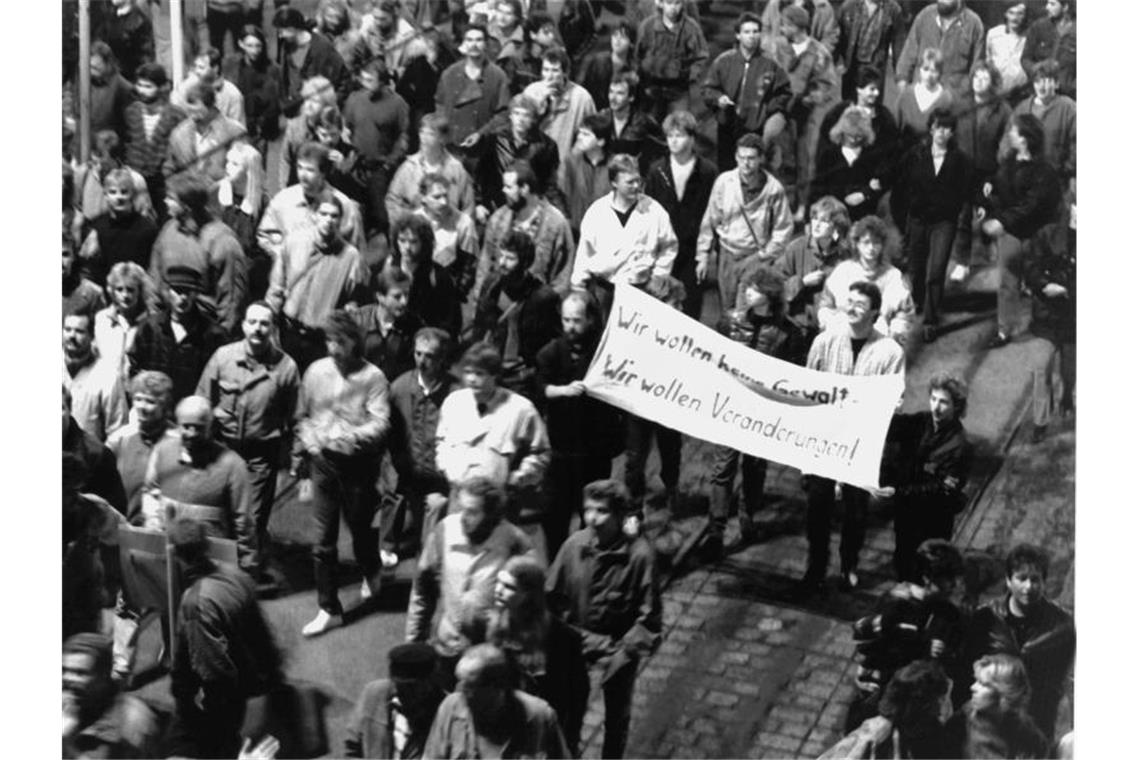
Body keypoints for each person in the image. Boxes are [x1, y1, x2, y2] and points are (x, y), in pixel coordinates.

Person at [801, 281, 905, 593]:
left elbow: (895, 400)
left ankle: (849, 564)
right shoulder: (825, 341)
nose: (853, 307)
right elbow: (808, 385)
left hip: (861, 443)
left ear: (875, 311)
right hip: (824, 439)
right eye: (850, 300)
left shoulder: (889, 351)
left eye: (861, 303)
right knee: (817, 509)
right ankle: (815, 567)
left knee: (855, 512)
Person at [547, 479, 662, 759]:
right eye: (588, 510)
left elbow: (649, 619)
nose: (593, 518)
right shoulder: (574, 546)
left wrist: (623, 651)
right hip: (576, 644)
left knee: (616, 718)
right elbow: (551, 597)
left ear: (620, 515)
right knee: (568, 713)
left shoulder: (639, 556)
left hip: (618, 650)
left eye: (602, 511)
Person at [293, 311, 390, 636]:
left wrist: (352, 436)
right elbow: (302, 417)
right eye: (330, 340)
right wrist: (312, 447)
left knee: (360, 530)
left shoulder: (373, 377)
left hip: (358, 467)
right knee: (323, 542)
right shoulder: (315, 372)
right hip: (324, 464)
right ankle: (328, 607)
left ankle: (371, 569)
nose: (334, 348)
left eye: (341, 341)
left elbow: (381, 422)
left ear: (355, 342)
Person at [705, 267, 805, 557]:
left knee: (754, 467)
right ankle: (716, 531)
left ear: (769, 296)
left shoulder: (789, 333)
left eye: (754, 288)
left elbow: (794, 377)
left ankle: (748, 518)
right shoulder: (729, 321)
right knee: (722, 468)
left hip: (763, 413)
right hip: (730, 407)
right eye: (747, 287)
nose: (747, 292)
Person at [165, 517, 284, 760]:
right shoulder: (235, 575)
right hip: (255, 675)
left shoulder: (196, 603)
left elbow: (214, 670)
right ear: (207, 544)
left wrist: (202, 706)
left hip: (229, 700)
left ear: (175, 554)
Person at [197, 301, 300, 574]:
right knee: (219, 515)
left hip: (261, 455)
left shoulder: (286, 367)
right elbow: (202, 402)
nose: (258, 328)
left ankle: (245, 578)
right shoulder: (223, 358)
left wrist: (298, 459)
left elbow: (297, 417)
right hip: (224, 451)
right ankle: (219, 574)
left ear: (273, 328)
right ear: (243, 325)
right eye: (252, 322)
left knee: (251, 520)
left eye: (265, 323)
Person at [406, 477, 534, 684]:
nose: (463, 517)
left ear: (491, 513)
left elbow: (532, 600)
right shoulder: (445, 530)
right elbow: (422, 590)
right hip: (447, 646)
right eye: (461, 508)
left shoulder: (514, 540)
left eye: (473, 512)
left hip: (492, 655)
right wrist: (413, 643)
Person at [435, 344, 552, 555]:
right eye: (468, 373)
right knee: (456, 554)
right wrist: (446, 467)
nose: (471, 380)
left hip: (499, 504)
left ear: (495, 375)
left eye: (479, 374)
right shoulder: (453, 403)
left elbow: (541, 452)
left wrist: (519, 477)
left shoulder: (520, 409)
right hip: (459, 498)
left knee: (496, 560)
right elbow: (441, 442)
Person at [535, 290, 622, 556]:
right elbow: (539, 389)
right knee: (555, 515)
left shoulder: (604, 353)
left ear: (590, 321)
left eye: (577, 321)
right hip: (561, 449)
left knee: (593, 512)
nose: (571, 327)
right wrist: (562, 390)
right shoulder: (550, 353)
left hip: (594, 449)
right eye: (566, 320)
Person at [846, 539, 966, 730]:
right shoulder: (897, 604)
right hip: (882, 693)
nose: (954, 585)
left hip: (916, 700)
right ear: (927, 578)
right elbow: (866, 642)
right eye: (948, 579)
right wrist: (920, 646)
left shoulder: (947, 612)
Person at [475, 556, 590, 754]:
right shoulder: (491, 626)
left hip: (539, 731)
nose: (498, 591)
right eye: (499, 583)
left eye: (509, 587)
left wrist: (569, 743)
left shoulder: (562, 638)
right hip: (502, 728)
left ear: (529, 595)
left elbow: (577, 695)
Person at [964, 544, 1075, 742]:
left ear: (1044, 582)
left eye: (1035, 579)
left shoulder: (1062, 626)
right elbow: (964, 672)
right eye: (1021, 578)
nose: (1029, 587)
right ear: (1008, 580)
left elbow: (1066, 682)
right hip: (989, 722)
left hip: (1036, 725)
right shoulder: (985, 617)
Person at [874, 373, 971, 582]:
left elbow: (943, 489)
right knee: (902, 558)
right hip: (907, 512)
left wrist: (898, 491)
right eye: (933, 399)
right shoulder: (921, 422)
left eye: (944, 402)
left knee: (927, 570)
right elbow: (891, 426)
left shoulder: (960, 446)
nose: (936, 407)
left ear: (957, 407)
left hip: (933, 519)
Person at [143, 395, 256, 569]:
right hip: (168, 555)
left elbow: (244, 522)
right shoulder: (162, 451)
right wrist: (152, 522)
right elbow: (150, 491)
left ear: (210, 427)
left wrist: (246, 564)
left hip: (211, 559)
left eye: (199, 428)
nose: (192, 433)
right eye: (186, 427)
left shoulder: (232, 465)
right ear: (177, 425)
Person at [890, 107, 972, 342]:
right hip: (917, 220)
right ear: (931, 128)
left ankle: (930, 319)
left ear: (952, 132)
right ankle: (916, 305)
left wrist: (982, 202)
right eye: (937, 127)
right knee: (916, 271)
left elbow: (970, 189)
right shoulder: (915, 155)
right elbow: (898, 180)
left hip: (944, 223)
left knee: (936, 271)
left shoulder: (960, 160)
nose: (941, 133)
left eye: (947, 128)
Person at [980, 113, 1061, 349]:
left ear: (1024, 138)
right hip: (1011, 231)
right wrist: (990, 184)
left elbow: (1031, 206)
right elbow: (1001, 183)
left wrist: (1002, 221)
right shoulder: (1010, 160)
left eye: (1013, 132)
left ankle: (1048, 324)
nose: (1010, 135)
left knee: (1041, 279)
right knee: (1007, 280)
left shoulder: (1044, 171)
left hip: (1036, 233)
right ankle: (1005, 330)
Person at [268, 190, 370, 371]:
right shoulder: (294, 242)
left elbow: (354, 302)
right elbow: (276, 288)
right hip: (288, 331)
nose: (329, 220)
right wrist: (271, 325)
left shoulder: (350, 257)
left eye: (334, 216)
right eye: (324, 214)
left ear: (341, 220)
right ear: (315, 215)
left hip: (321, 339)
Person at [696, 133, 794, 314]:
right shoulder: (725, 182)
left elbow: (784, 227)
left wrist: (766, 254)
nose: (745, 163)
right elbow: (710, 219)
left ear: (760, 159)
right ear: (736, 157)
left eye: (751, 158)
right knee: (727, 310)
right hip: (727, 254)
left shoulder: (773, 189)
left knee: (749, 309)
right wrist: (702, 255)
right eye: (741, 158)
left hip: (755, 256)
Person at [387, 327, 461, 558]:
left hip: (437, 475)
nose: (422, 361)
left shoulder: (456, 392)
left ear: (441, 359)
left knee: (434, 514)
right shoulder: (399, 387)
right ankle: (384, 556)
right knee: (392, 505)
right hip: (407, 471)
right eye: (418, 354)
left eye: (429, 356)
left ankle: (425, 567)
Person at [423, 643, 571, 758]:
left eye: (471, 687)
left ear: (499, 686)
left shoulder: (540, 717)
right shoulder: (451, 707)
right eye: (460, 683)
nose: (461, 692)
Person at [571, 153, 678, 311]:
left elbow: (669, 246)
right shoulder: (597, 213)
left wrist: (659, 275)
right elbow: (584, 254)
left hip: (641, 290)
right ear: (614, 182)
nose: (636, 186)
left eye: (638, 180)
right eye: (630, 182)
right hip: (605, 289)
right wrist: (578, 286)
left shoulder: (654, 211)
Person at [466, 230, 562, 401]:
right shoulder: (491, 285)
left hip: (521, 377)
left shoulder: (543, 297)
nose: (502, 263)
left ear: (525, 263)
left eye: (510, 259)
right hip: (491, 371)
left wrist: (535, 372)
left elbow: (553, 343)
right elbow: (479, 328)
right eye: (501, 256)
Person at [151, 172, 248, 335]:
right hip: (168, 326)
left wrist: (221, 337)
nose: (165, 202)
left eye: (171, 198)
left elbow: (231, 301)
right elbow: (155, 279)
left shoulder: (223, 242)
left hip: (204, 332)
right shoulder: (168, 230)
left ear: (187, 207)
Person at [641, 110, 716, 321]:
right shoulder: (657, 170)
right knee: (659, 307)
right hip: (663, 250)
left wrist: (705, 255)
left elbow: (712, 216)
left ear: (692, 138)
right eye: (670, 136)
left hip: (692, 250)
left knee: (690, 309)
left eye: (679, 135)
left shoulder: (708, 171)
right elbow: (648, 213)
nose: (673, 141)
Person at [702, 12, 791, 172]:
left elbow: (784, 93)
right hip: (727, 126)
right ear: (738, 35)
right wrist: (718, 98)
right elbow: (708, 89)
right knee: (727, 170)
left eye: (756, 31)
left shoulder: (770, 64)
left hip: (756, 127)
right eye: (747, 32)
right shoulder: (724, 61)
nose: (752, 36)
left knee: (753, 170)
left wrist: (767, 110)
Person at [775, 4, 842, 215]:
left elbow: (828, 86)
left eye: (785, 25)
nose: (782, 29)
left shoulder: (818, 53)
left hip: (808, 115)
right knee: (784, 158)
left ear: (797, 27)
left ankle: (803, 204)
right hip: (783, 112)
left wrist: (808, 99)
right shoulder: (780, 48)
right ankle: (785, 202)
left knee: (806, 160)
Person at [950, 60, 1011, 285]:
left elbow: (1006, 145)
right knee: (962, 215)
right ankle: (962, 262)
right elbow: (951, 137)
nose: (979, 82)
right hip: (963, 170)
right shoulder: (961, 105)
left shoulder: (1002, 109)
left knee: (991, 212)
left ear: (993, 82)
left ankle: (993, 251)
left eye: (984, 78)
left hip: (989, 172)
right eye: (976, 77)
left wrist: (995, 177)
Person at [259, 142, 366, 271]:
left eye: (310, 170)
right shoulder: (284, 200)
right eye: (299, 168)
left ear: (323, 173)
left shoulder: (344, 205)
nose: (302, 176)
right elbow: (265, 234)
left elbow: (357, 251)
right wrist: (282, 254)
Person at [129, 265, 229, 400]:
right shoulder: (149, 328)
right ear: (168, 292)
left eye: (188, 292)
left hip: (192, 412)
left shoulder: (212, 334)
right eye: (177, 291)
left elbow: (220, 379)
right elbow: (135, 369)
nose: (182, 297)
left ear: (196, 294)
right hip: (156, 410)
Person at [477, 162, 575, 297]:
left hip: (538, 309)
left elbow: (563, 277)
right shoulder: (498, 219)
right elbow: (485, 266)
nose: (503, 190)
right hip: (500, 307)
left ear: (524, 189)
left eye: (508, 187)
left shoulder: (556, 224)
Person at [824, 660, 955, 760]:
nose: (940, 709)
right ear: (919, 706)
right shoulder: (875, 734)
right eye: (936, 702)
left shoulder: (931, 729)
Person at [1023, 195, 1076, 442]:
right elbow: (1031, 267)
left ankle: (1067, 398)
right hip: (1046, 318)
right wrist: (1045, 285)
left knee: (1070, 371)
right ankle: (1040, 422)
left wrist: (1068, 291)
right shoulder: (1047, 234)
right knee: (1039, 370)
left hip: (1074, 321)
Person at [773, 195, 852, 359]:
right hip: (796, 329)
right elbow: (774, 286)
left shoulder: (845, 256)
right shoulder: (796, 248)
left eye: (824, 221)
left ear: (836, 227)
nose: (816, 224)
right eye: (814, 218)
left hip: (830, 332)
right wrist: (802, 282)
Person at [817, 215, 915, 344]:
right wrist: (832, 328)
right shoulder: (843, 271)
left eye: (876, 243)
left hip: (879, 339)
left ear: (882, 245)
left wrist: (893, 335)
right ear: (857, 244)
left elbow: (905, 313)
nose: (871, 248)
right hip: (843, 335)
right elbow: (826, 305)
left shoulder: (893, 276)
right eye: (866, 242)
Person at [62, 633, 161, 758]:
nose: (67, 679)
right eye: (64, 670)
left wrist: (65, 746)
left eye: (80, 673)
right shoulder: (69, 705)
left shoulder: (132, 721)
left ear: (104, 678)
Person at [343, 57, 411, 238]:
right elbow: (346, 128)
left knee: (383, 217)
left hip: (381, 169)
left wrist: (390, 163)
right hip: (357, 168)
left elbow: (404, 137)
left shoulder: (398, 104)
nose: (364, 84)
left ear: (382, 81)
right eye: (362, 79)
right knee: (355, 216)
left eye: (369, 80)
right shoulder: (354, 99)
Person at [345, 643, 447, 759]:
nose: (399, 692)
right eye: (398, 685)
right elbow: (352, 746)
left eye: (410, 687)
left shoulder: (447, 712)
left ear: (430, 683)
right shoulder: (374, 694)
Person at [944, 654, 1051, 758]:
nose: (973, 687)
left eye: (984, 684)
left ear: (1005, 693)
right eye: (976, 680)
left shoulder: (1029, 735)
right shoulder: (960, 723)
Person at [472, 94, 560, 219]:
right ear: (511, 116)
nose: (520, 119)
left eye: (526, 115)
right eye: (517, 114)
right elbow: (480, 174)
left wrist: (558, 213)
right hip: (497, 207)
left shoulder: (546, 145)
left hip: (530, 209)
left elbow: (549, 184)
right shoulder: (495, 138)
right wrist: (478, 203)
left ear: (534, 119)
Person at [434, 24, 511, 161]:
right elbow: (439, 106)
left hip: (483, 153)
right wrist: (444, 135)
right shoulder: (450, 74)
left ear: (486, 44)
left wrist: (481, 134)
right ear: (464, 44)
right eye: (469, 40)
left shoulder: (498, 76)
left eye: (478, 40)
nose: (473, 45)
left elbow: (503, 114)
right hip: (451, 151)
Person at [385, 113, 476, 225]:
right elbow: (392, 202)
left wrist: (458, 229)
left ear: (442, 139)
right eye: (422, 132)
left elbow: (469, 208)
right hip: (416, 233)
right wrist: (407, 221)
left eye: (430, 134)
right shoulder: (408, 167)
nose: (423, 138)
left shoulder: (456, 169)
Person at [123, 63, 185, 218]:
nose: (142, 91)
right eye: (139, 85)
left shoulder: (176, 116)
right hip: (135, 180)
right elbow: (125, 144)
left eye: (148, 86)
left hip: (163, 184)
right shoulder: (131, 112)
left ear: (162, 87)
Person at [388, 213, 463, 338]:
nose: (407, 247)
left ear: (424, 242)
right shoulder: (389, 268)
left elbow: (451, 323)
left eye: (413, 242)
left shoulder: (439, 276)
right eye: (402, 240)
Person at [79, 170, 160, 286]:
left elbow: (153, 268)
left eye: (124, 192)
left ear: (132, 194)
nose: (119, 197)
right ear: (105, 195)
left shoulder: (148, 229)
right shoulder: (96, 227)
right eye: (113, 192)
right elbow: (88, 267)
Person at [163, 79, 248, 187]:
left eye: (196, 111)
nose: (191, 115)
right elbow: (169, 167)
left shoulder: (234, 132)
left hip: (224, 194)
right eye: (189, 111)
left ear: (211, 106)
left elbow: (242, 169)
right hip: (188, 195)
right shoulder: (179, 133)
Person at [273, 6, 353, 119]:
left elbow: (344, 80)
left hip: (319, 112)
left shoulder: (322, 48)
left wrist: (329, 104)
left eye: (282, 31)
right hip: (296, 111)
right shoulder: (286, 46)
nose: (280, 35)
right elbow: (284, 76)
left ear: (292, 29)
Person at [636, 0, 709, 123]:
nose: (673, 8)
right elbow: (638, 53)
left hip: (678, 89)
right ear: (661, 4)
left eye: (677, 3)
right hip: (652, 87)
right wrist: (643, 71)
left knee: (679, 126)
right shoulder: (648, 26)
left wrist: (690, 75)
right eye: (669, 3)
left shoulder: (690, 28)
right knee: (649, 127)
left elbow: (702, 55)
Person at [64, 310, 130, 443]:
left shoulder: (107, 375)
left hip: (89, 459)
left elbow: (117, 431)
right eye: (67, 329)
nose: (72, 336)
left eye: (79, 331)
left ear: (91, 336)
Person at [896, 0, 985, 98]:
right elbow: (905, 65)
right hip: (920, 102)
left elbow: (977, 73)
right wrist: (905, 101)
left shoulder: (974, 25)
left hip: (954, 105)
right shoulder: (925, 16)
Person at [1006, 59, 1076, 184]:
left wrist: (1066, 169)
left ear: (1056, 84)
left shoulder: (1069, 108)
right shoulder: (1022, 108)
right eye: (1037, 81)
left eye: (1047, 81)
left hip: (1055, 179)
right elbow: (1007, 142)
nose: (1041, 86)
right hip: (1023, 178)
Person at [522, 46, 596, 162]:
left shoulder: (582, 98)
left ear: (565, 73)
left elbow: (591, 136)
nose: (549, 76)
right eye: (546, 70)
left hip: (566, 166)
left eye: (555, 70)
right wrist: (538, 104)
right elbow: (521, 129)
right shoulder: (531, 92)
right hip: (535, 162)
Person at [414, 173, 481, 299]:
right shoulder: (413, 222)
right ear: (423, 198)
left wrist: (458, 291)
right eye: (437, 197)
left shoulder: (463, 222)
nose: (444, 202)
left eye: (445, 195)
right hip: (417, 292)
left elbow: (471, 262)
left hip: (449, 295)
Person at [353, 268, 424, 383]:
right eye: (397, 297)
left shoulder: (415, 327)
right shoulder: (358, 319)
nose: (404, 302)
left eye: (406, 294)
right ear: (380, 297)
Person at [223, 26, 282, 157]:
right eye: (250, 45)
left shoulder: (272, 69)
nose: (254, 50)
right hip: (236, 124)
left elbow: (274, 102)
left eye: (258, 46)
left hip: (258, 129)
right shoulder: (231, 65)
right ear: (241, 44)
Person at [94, 262, 156, 388]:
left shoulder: (151, 322)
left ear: (140, 291)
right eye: (120, 289)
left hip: (137, 391)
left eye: (130, 290)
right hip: (107, 389)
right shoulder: (102, 319)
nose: (125, 295)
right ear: (112, 291)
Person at [834, 0, 907, 100]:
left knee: (872, 107)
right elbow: (836, 36)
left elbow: (899, 43)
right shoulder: (848, 6)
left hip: (876, 70)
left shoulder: (893, 9)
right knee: (849, 106)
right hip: (852, 67)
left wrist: (901, 75)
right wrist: (837, 62)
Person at [279, 75, 340, 190]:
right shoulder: (295, 126)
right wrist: (283, 188)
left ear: (327, 105)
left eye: (315, 101)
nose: (309, 105)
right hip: (297, 186)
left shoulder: (334, 127)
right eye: (307, 99)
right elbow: (286, 158)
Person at [557, 113, 612, 239]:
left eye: (586, 134)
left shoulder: (614, 166)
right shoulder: (571, 161)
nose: (579, 137)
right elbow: (559, 193)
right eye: (580, 132)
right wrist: (566, 220)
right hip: (575, 233)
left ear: (601, 141)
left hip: (605, 235)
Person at [599, 71, 664, 176]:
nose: (613, 98)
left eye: (620, 93)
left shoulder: (643, 122)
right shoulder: (602, 118)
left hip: (633, 178)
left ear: (631, 97)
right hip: (605, 177)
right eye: (611, 92)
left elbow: (663, 149)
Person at [893, 48, 956, 149]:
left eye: (934, 71)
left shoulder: (946, 99)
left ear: (940, 73)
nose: (929, 75)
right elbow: (894, 130)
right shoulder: (906, 96)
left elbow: (951, 136)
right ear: (919, 70)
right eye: (925, 69)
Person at [171, 48, 247, 126]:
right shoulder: (186, 87)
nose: (197, 71)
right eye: (196, 67)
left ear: (215, 68)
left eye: (201, 68)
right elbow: (174, 111)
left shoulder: (232, 94)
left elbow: (238, 127)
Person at [577, 19, 637, 111]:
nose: (617, 40)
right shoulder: (598, 61)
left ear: (631, 43)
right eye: (615, 35)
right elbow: (585, 90)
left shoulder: (635, 69)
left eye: (623, 37)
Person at [1021, 0, 1075, 99]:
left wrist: (1071, 86)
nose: (1047, 7)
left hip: (1069, 95)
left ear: (1065, 7)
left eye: (1052, 4)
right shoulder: (1039, 27)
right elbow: (1025, 59)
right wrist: (1038, 74)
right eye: (1047, 3)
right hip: (1040, 93)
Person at [95, 0, 155, 82]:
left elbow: (145, 57)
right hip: (105, 77)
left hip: (127, 79)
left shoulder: (139, 22)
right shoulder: (108, 17)